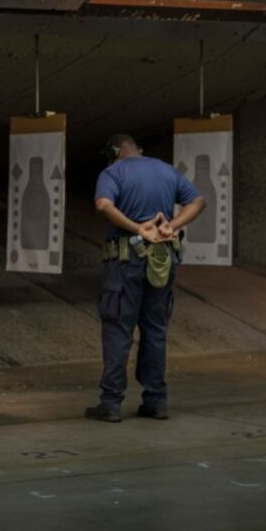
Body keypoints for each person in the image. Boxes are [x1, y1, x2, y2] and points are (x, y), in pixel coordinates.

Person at [84, 134, 205, 423]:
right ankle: (156, 401)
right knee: (155, 330)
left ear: (114, 151)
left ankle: (111, 403)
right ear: (139, 148)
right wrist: (169, 227)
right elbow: (198, 201)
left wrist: (138, 228)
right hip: (163, 261)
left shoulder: (113, 172)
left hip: (126, 264)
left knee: (118, 330)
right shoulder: (165, 169)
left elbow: (103, 205)